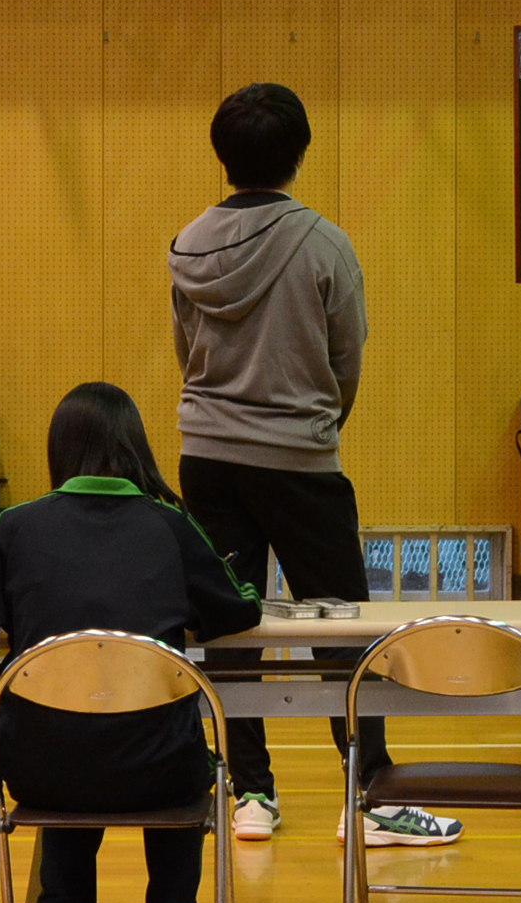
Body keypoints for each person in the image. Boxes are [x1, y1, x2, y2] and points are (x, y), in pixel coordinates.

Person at [169, 82, 461, 850]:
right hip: (299, 459)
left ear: (222, 157)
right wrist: (313, 426)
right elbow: (346, 360)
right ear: (300, 155)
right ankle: (370, 794)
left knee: (230, 628)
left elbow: (186, 355)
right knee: (345, 626)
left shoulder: (187, 243)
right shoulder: (325, 244)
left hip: (205, 456)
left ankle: (251, 796)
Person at [0, 383, 262, 903]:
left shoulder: (14, 528)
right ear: (136, 447)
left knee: (68, 737)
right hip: (159, 767)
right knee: (169, 751)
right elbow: (240, 609)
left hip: (40, 771)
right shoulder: (171, 526)